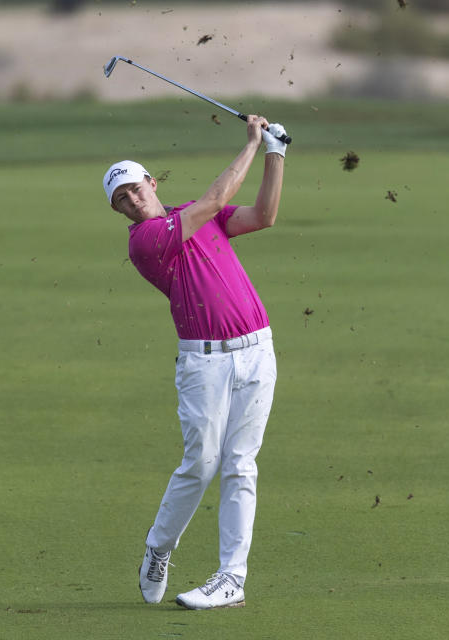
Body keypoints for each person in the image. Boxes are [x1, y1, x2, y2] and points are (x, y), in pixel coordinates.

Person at [102, 115, 288, 610]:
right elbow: (215, 200)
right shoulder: (146, 241)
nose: (131, 200)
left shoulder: (198, 217)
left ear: (151, 183)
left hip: (257, 351)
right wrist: (252, 142)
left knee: (241, 465)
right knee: (201, 464)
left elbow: (265, 215)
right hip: (204, 364)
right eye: (120, 199)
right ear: (119, 211)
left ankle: (231, 578)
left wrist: (276, 154)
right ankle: (159, 548)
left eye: (134, 189)